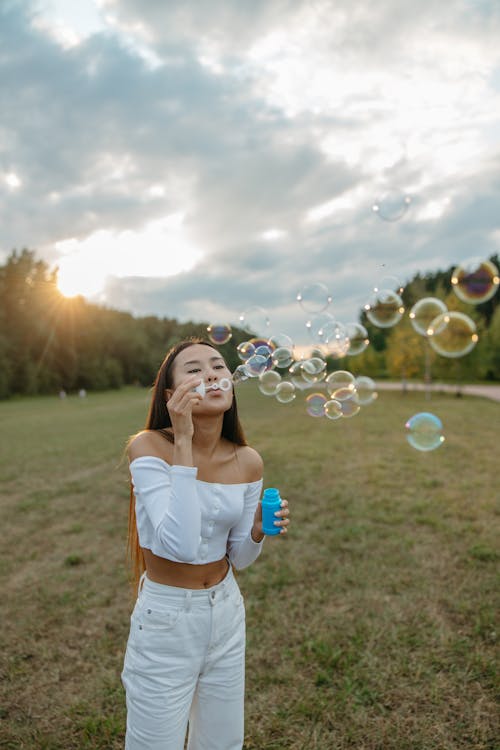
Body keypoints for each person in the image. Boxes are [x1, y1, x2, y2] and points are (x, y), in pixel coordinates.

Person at [121, 338, 290, 750]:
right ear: (170, 396)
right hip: (166, 620)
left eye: (218, 365)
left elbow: (240, 560)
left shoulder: (249, 460)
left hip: (226, 612)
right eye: (194, 370)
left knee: (222, 743)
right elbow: (178, 544)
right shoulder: (147, 448)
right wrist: (182, 440)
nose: (211, 373)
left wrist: (256, 531)